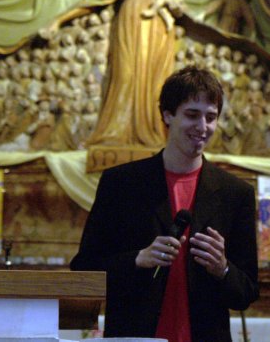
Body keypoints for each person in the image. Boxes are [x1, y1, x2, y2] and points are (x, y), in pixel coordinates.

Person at [71, 66, 259, 341]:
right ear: (167, 115)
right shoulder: (121, 184)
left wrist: (223, 269)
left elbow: (247, 293)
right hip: (136, 336)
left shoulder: (236, 193)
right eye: (192, 115)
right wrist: (138, 259)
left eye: (211, 117)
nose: (202, 127)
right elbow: (84, 268)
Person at [86, 0, 176, 148]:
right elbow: (92, 0)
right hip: (127, 19)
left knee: (154, 81)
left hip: (154, 24)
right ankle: (117, 131)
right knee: (124, 73)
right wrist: (57, 20)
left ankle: (153, 132)